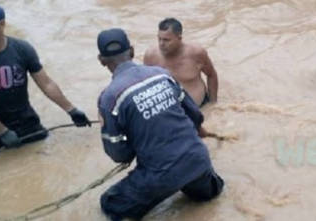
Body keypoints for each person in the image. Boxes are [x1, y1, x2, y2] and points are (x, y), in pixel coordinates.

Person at [96, 28, 224, 220]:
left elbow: (119, 154)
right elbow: (195, 115)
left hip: (160, 173)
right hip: (197, 159)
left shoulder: (109, 99)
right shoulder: (162, 74)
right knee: (210, 196)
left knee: (109, 204)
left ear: (102, 60)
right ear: (131, 51)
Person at [0, 2, 91, 164]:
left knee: (41, 144)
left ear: (1, 24)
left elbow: (46, 84)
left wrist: (72, 110)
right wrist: (2, 131)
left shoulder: (22, 49)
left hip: (22, 118)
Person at [143, 18, 218, 107]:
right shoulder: (151, 56)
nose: (161, 44)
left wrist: (213, 104)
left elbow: (211, 75)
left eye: (166, 40)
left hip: (199, 107)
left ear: (179, 38)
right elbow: (146, 85)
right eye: (159, 39)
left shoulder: (196, 53)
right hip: (169, 111)